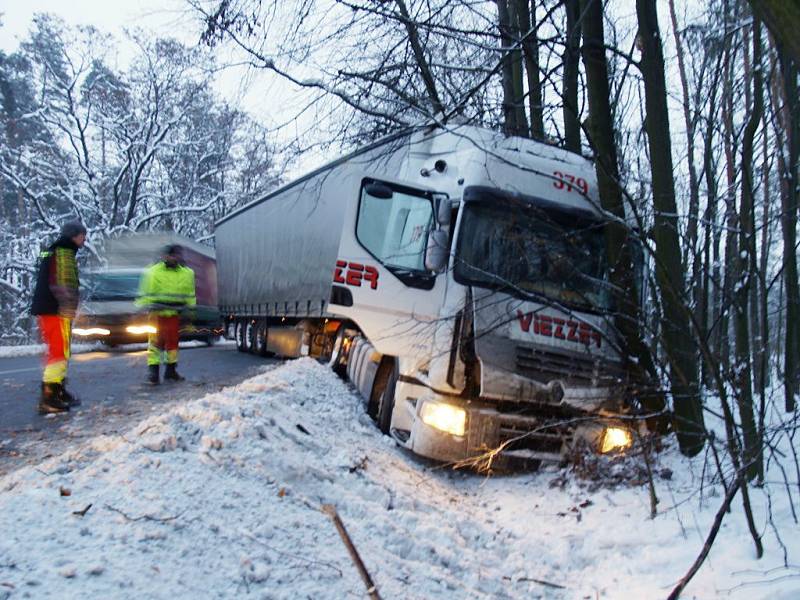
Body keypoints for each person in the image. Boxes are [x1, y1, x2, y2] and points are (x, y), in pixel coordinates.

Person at [30, 221, 87, 414]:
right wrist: (68, 307)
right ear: (74, 235)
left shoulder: (57, 250)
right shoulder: (63, 252)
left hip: (51, 309)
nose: (84, 239)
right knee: (58, 352)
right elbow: (62, 284)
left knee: (61, 351)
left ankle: (58, 391)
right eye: (82, 235)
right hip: (56, 310)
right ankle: (49, 397)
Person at [136, 244, 196, 384]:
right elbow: (144, 293)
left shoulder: (187, 273)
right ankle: (153, 373)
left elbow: (190, 294)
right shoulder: (153, 272)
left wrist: (190, 312)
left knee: (172, 344)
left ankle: (170, 371)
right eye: (170, 255)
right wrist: (140, 310)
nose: (172, 258)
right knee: (155, 343)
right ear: (164, 256)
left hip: (174, 314)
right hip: (157, 314)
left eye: (175, 255)